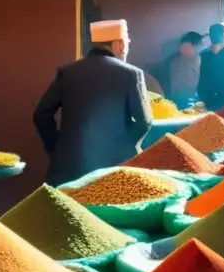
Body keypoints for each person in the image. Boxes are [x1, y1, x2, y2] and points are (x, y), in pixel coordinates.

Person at [33, 19, 152, 186]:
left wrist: (56, 146)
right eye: (127, 43)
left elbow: (41, 114)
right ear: (119, 45)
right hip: (112, 170)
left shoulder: (67, 71)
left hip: (69, 168)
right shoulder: (131, 74)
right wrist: (123, 145)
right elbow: (144, 122)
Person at [159, 32, 202, 109]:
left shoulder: (173, 60)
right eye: (199, 45)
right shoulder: (173, 61)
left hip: (183, 101)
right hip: (182, 101)